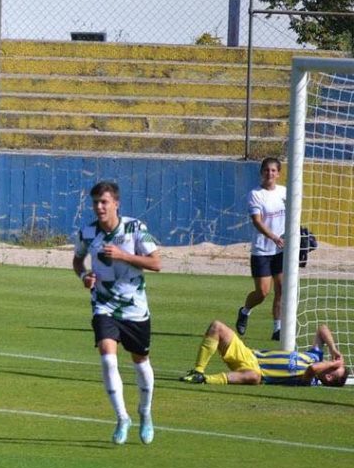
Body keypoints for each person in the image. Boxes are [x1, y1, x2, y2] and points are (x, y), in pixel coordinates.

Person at [72, 181, 162, 445]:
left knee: (141, 362)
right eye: (96, 202)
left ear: (116, 204)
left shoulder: (135, 228)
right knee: (107, 358)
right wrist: (84, 275)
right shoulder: (87, 233)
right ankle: (122, 417)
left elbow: (156, 263)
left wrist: (124, 255)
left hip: (135, 308)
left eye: (104, 202)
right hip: (104, 306)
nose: (99, 207)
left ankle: (145, 413)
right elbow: (78, 261)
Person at [180, 320, 347, 386]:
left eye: (334, 370)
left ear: (329, 378)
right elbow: (322, 329)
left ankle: (205, 379)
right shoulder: (315, 356)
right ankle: (198, 371)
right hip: (248, 355)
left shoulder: (310, 382)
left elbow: (312, 370)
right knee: (217, 327)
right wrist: (333, 349)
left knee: (254, 377)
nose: (333, 364)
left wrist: (333, 363)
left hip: (255, 372)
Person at [236, 157, 287, 341]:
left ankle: (277, 329)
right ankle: (245, 311)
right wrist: (274, 237)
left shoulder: (284, 192)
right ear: (261, 172)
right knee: (263, 292)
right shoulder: (255, 194)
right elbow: (257, 221)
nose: (270, 173)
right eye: (266, 170)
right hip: (262, 250)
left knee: (281, 289)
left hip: (281, 250)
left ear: (279, 174)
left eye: (273, 170)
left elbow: (292, 216)